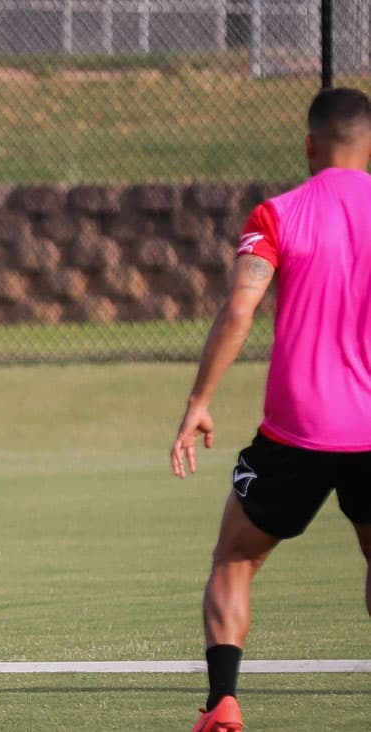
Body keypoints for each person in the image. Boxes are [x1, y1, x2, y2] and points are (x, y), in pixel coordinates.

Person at [170, 86, 371, 732]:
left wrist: (199, 401)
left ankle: (224, 702)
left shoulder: (276, 214)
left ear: (310, 144)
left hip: (295, 432)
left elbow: (238, 311)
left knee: (234, 558)